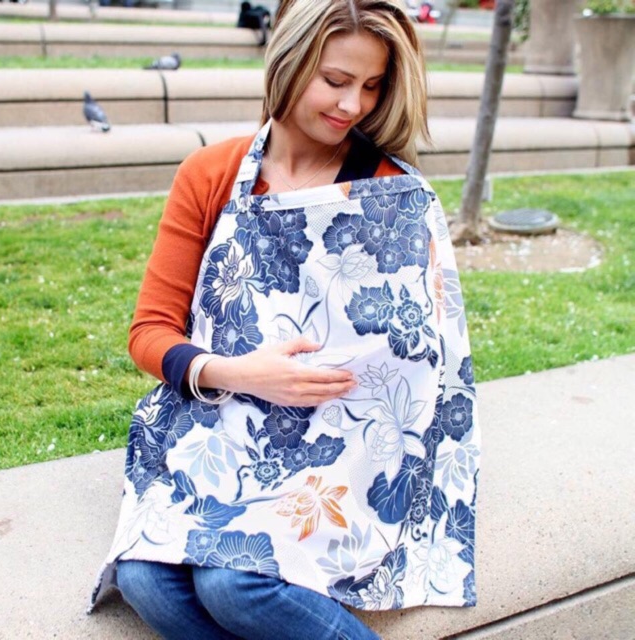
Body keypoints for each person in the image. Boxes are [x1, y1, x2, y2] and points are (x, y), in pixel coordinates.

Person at [88, 1, 481, 638]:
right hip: (221, 424)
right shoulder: (212, 174)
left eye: (372, 86)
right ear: (288, 63)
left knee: (235, 583)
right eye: (336, 80)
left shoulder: (393, 191)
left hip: (344, 442)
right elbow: (150, 332)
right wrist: (240, 373)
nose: (352, 105)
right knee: (145, 580)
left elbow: (424, 356)